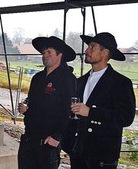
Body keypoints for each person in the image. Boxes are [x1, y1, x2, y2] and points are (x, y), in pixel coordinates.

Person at [61, 32, 136, 168]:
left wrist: (91, 112)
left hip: (101, 156)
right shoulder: (80, 81)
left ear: (105, 53)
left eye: (92, 47)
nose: (86, 51)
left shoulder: (120, 83)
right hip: (77, 152)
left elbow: (126, 117)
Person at [17, 36, 76, 169]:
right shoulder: (37, 78)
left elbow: (69, 110)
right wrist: (26, 109)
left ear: (60, 55)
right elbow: (32, 102)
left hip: (48, 142)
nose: (45, 55)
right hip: (29, 139)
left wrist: (57, 136)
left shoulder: (67, 79)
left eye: (49, 52)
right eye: (44, 52)